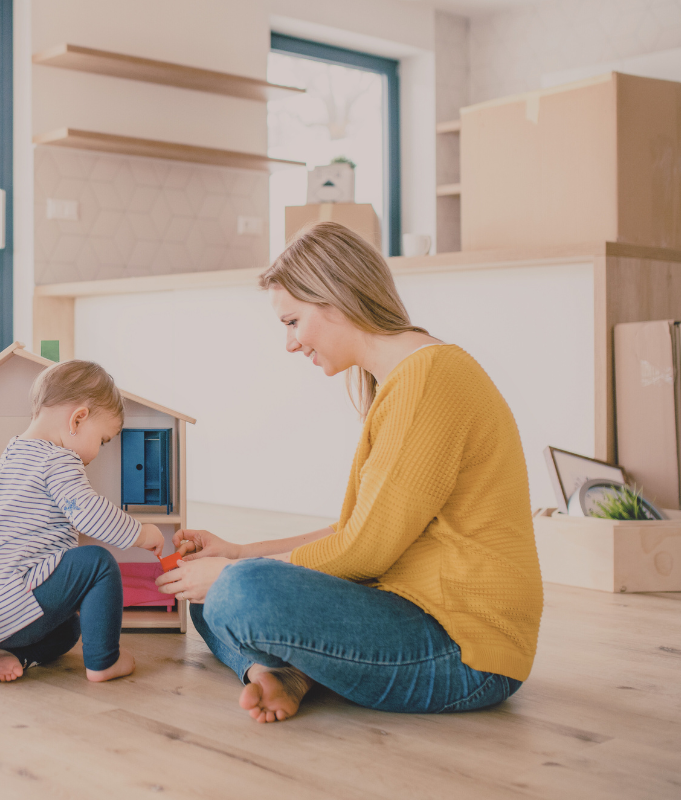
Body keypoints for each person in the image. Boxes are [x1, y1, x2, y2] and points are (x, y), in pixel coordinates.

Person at [157, 221, 544, 723]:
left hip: (465, 649)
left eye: (293, 321)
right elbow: (361, 529)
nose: (291, 344)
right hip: (407, 606)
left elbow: (365, 551)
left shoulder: (428, 379)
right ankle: (283, 674)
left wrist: (232, 572)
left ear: (334, 299)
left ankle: (286, 664)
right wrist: (235, 552)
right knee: (206, 598)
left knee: (236, 591)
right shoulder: (405, 379)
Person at [0, 360, 166, 683]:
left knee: (69, 628)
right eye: (101, 440)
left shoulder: (15, 451)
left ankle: (4, 651)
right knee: (98, 563)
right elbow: (87, 511)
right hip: (13, 599)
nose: (96, 452)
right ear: (78, 419)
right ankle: (104, 661)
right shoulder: (57, 460)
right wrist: (139, 533)